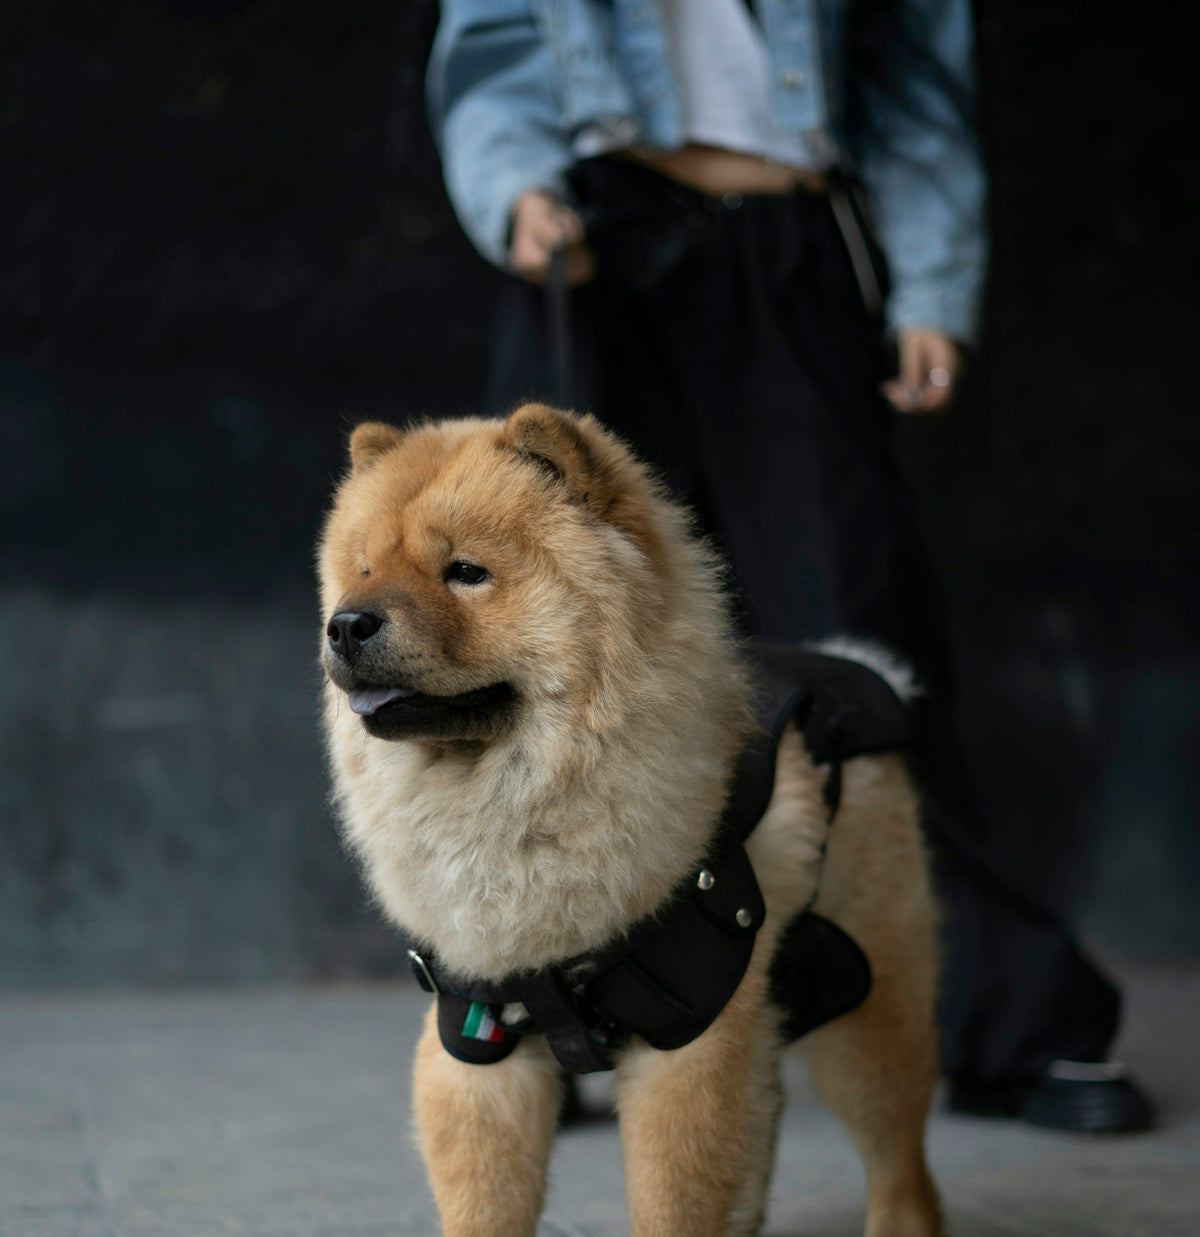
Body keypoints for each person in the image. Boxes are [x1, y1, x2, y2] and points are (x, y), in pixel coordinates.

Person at [425, 0, 1152, 1132]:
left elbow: (914, 78)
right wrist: (515, 182)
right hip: (592, 246)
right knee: (560, 654)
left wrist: (932, 285)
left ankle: (1008, 1021)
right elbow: (494, 46)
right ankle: (545, 1009)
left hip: (788, 254)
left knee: (865, 655)